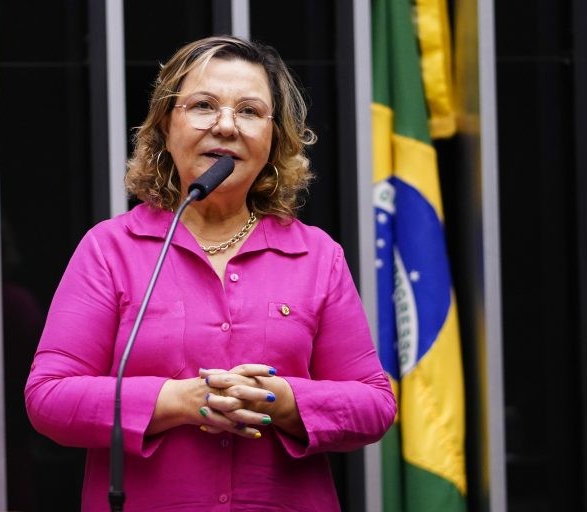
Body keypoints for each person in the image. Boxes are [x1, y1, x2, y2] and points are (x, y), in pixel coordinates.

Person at [25, 35, 396, 511]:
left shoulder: (317, 255)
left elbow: (374, 403)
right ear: (165, 125)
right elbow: (49, 398)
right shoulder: (110, 249)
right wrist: (178, 401)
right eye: (203, 105)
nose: (225, 126)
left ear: (274, 137)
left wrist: (284, 402)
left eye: (248, 111)